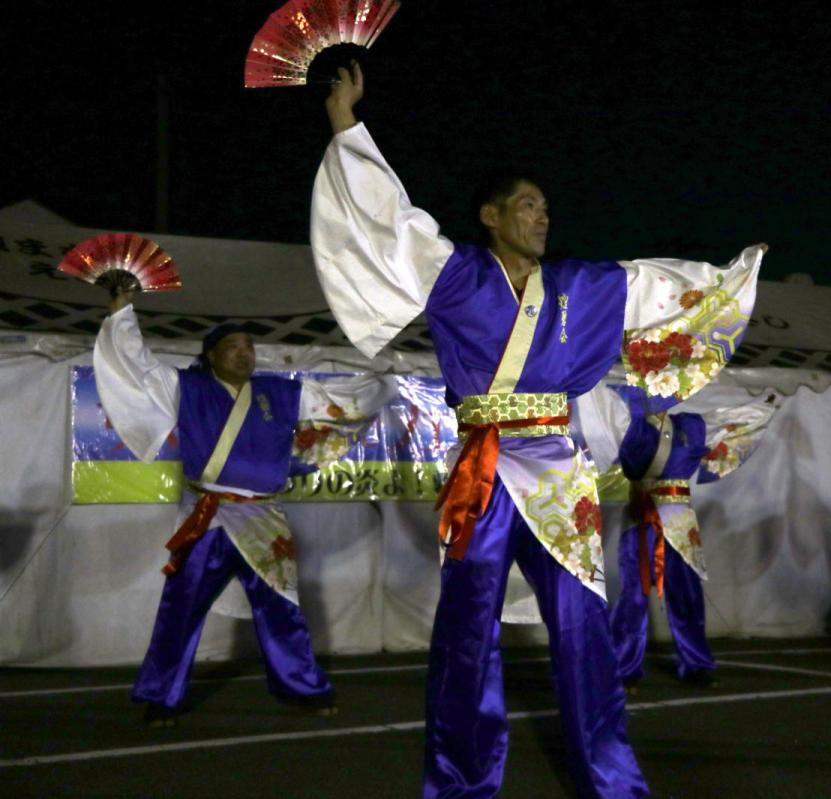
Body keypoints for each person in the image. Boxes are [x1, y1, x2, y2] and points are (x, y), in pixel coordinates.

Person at [311, 63, 764, 799]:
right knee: (466, 634)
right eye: (526, 205)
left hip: (557, 467)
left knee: (583, 629)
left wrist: (734, 277)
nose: (541, 216)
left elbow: (656, 284)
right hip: (483, 469)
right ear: (490, 216)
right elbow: (389, 222)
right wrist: (343, 120)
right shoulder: (456, 275)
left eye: (546, 206)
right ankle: (461, 780)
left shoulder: (583, 287)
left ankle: (612, 778)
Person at [94, 282, 397, 726]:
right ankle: (162, 695)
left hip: (264, 517)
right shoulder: (186, 387)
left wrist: (380, 380)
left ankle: (303, 688)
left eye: (249, 346)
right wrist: (122, 311)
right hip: (208, 516)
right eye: (232, 346)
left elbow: (340, 404)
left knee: (282, 609)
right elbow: (134, 368)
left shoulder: (282, 393)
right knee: (180, 607)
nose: (243, 353)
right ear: (211, 355)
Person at [578, 384, 778, 691]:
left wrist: (764, 405)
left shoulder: (690, 426)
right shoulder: (629, 428)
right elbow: (599, 407)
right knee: (632, 596)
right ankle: (624, 667)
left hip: (680, 522)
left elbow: (728, 420)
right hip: (640, 517)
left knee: (686, 594)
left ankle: (696, 664)